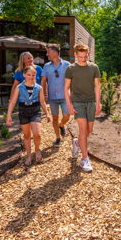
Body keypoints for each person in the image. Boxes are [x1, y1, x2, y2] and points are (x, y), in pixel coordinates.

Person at [64, 43, 101, 172]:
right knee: (83, 130)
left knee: (88, 131)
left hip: (91, 102)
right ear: (75, 55)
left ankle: (77, 142)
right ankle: (85, 159)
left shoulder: (94, 68)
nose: (83, 59)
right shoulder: (70, 69)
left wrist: (98, 103)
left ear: (88, 55)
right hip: (78, 102)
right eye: (80, 57)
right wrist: (69, 104)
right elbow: (66, 88)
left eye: (85, 56)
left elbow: (97, 86)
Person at [6, 65, 51, 166]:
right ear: (24, 75)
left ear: (36, 75)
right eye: (29, 74)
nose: (31, 77)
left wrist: (47, 113)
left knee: (37, 134)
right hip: (23, 112)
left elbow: (43, 102)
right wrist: (8, 115)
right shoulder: (19, 87)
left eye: (33, 75)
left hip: (35, 111)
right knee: (26, 135)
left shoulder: (39, 88)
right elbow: (13, 102)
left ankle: (37, 149)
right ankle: (29, 155)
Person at [41, 44, 71, 146]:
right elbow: (43, 81)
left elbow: (72, 80)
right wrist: (44, 94)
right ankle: (58, 137)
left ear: (54, 52)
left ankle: (61, 125)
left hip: (65, 96)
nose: (47, 54)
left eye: (48, 52)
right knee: (54, 117)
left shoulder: (67, 65)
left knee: (67, 115)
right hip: (52, 97)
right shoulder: (46, 66)